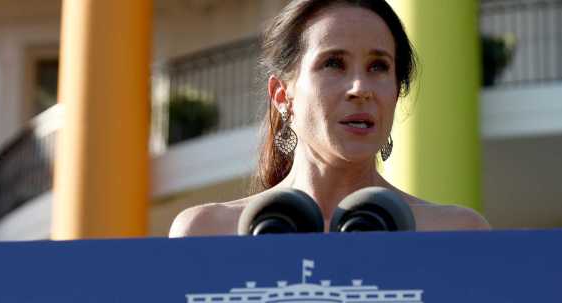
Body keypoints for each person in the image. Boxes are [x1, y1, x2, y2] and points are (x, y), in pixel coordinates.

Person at [170, 0, 490, 237]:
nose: (360, 89)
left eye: (378, 67)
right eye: (334, 63)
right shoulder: (206, 232)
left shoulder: (457, 233)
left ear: (396, 92)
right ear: (282, 94)